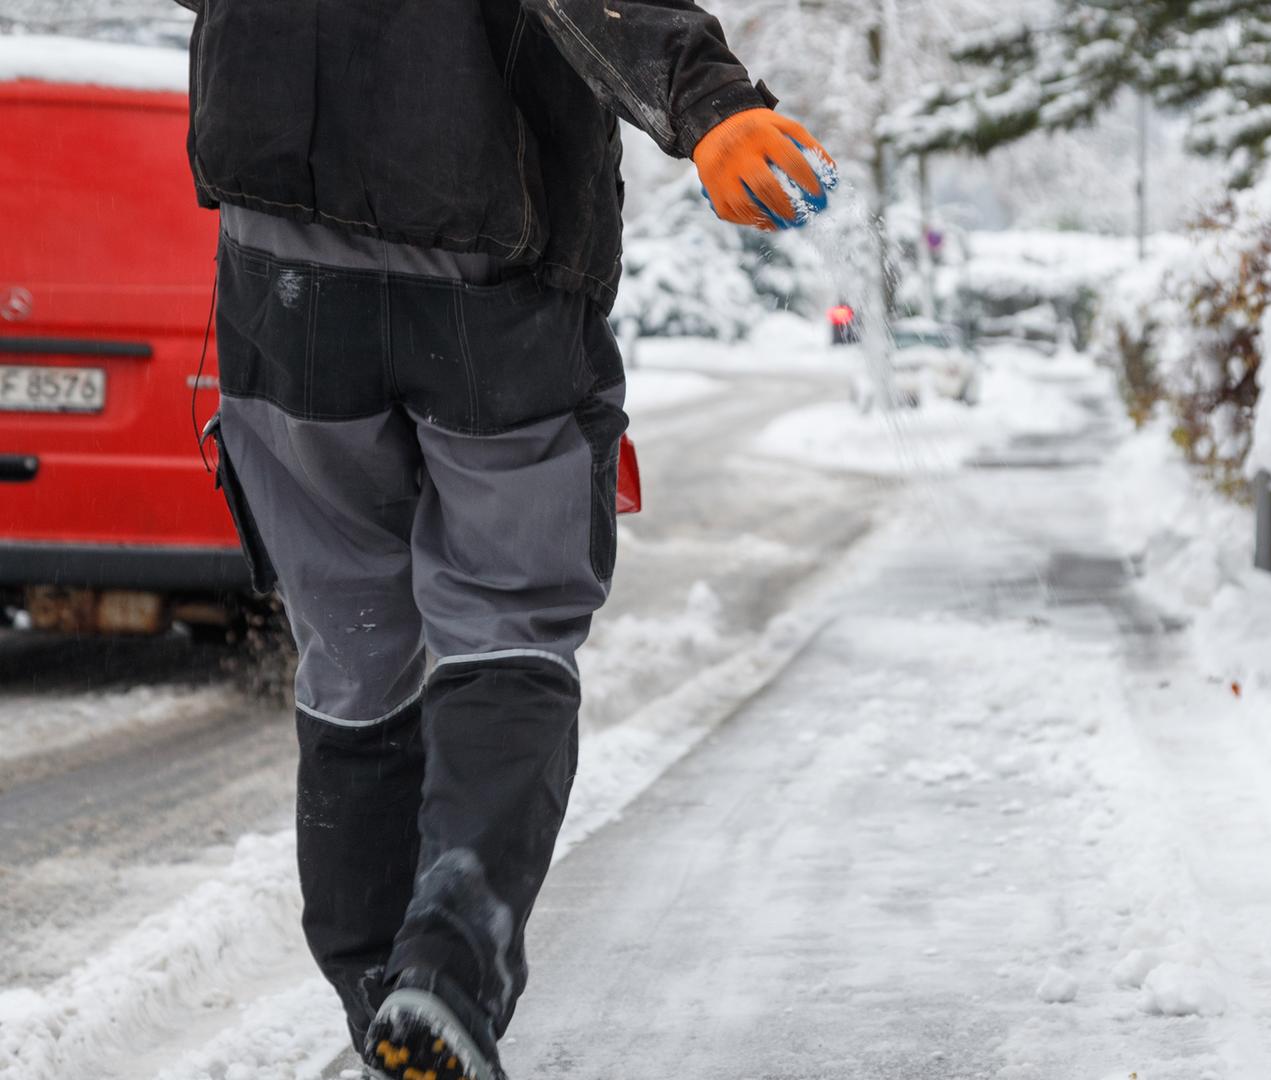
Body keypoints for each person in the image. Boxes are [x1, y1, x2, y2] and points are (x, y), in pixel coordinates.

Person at [167, 2, 835, 1077]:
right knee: (505, 614)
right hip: (484, 256)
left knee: (352, 639)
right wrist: (708, 104)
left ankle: (375, 983)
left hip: (278, 274)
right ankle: (443, 973)